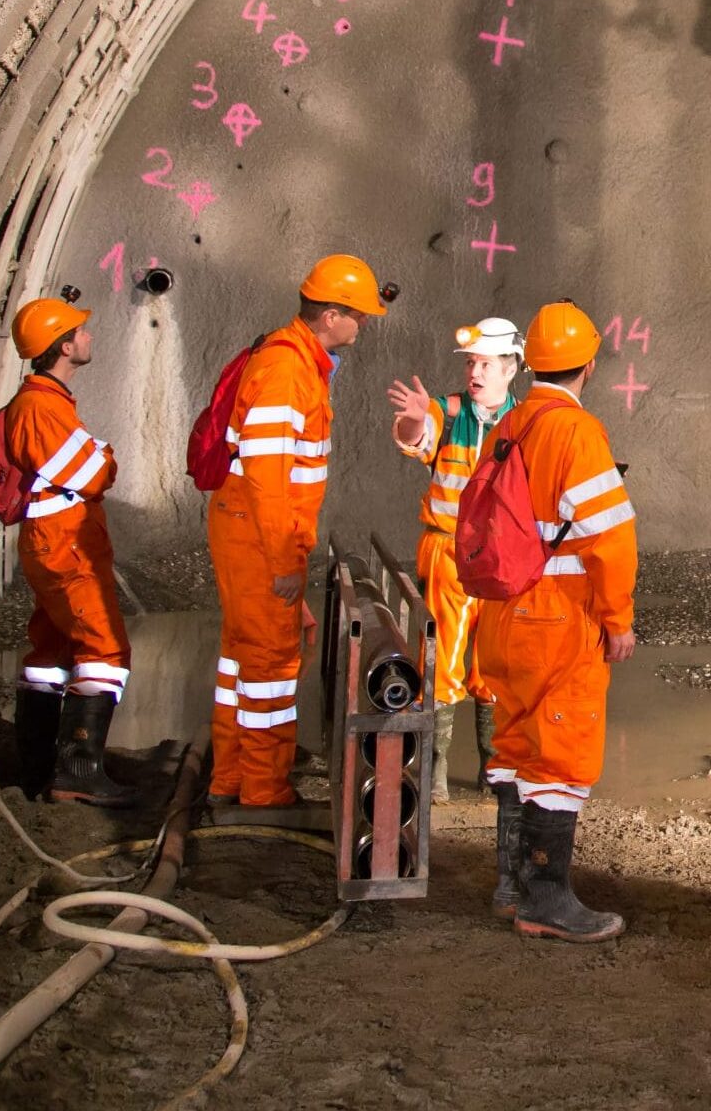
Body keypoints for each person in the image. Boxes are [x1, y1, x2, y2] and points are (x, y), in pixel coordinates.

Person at [475, 301, 639, 944]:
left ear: (533, 363)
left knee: (516, 747)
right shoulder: (575, 432)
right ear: (589, 364)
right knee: (560, 758)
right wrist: (617, 617)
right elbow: (611, 538)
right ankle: (546, 900)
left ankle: (512, 886)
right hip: (556, 621)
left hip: (502, 614)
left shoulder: (507, 424)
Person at [207, 254, 388, 809]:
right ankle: (263, 788)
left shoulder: (296, 362)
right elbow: (267, 479)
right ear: (331, 315)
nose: (363, 325)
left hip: (250, 532)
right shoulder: (287, 370)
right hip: (259, 536)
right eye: (358, 315)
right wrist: (286, 564)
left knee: (242, 657)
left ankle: (230, 777)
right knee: (269, 664)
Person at [0, 296, 137, 808]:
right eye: (81, 330)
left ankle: (36, 767)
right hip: (65, 544)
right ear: (63, 345)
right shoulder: (41, 408)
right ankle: (77, 773)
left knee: (52, 652)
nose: (88, 336)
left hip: (55, 541)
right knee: (104, 650)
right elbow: (96, 475)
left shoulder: (45, 403)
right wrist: (105, 454)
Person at [389, 317, 523, 801]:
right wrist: (414, 417)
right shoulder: (446, 412)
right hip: (447, 550)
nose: (476, 372)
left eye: (486, 363)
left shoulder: (523, 422)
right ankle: (438, 766)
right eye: (471, 363)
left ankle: (493, 765)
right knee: (443, 658)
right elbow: (415, 437)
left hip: (502, 558)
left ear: (511, 369)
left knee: (494, 663)